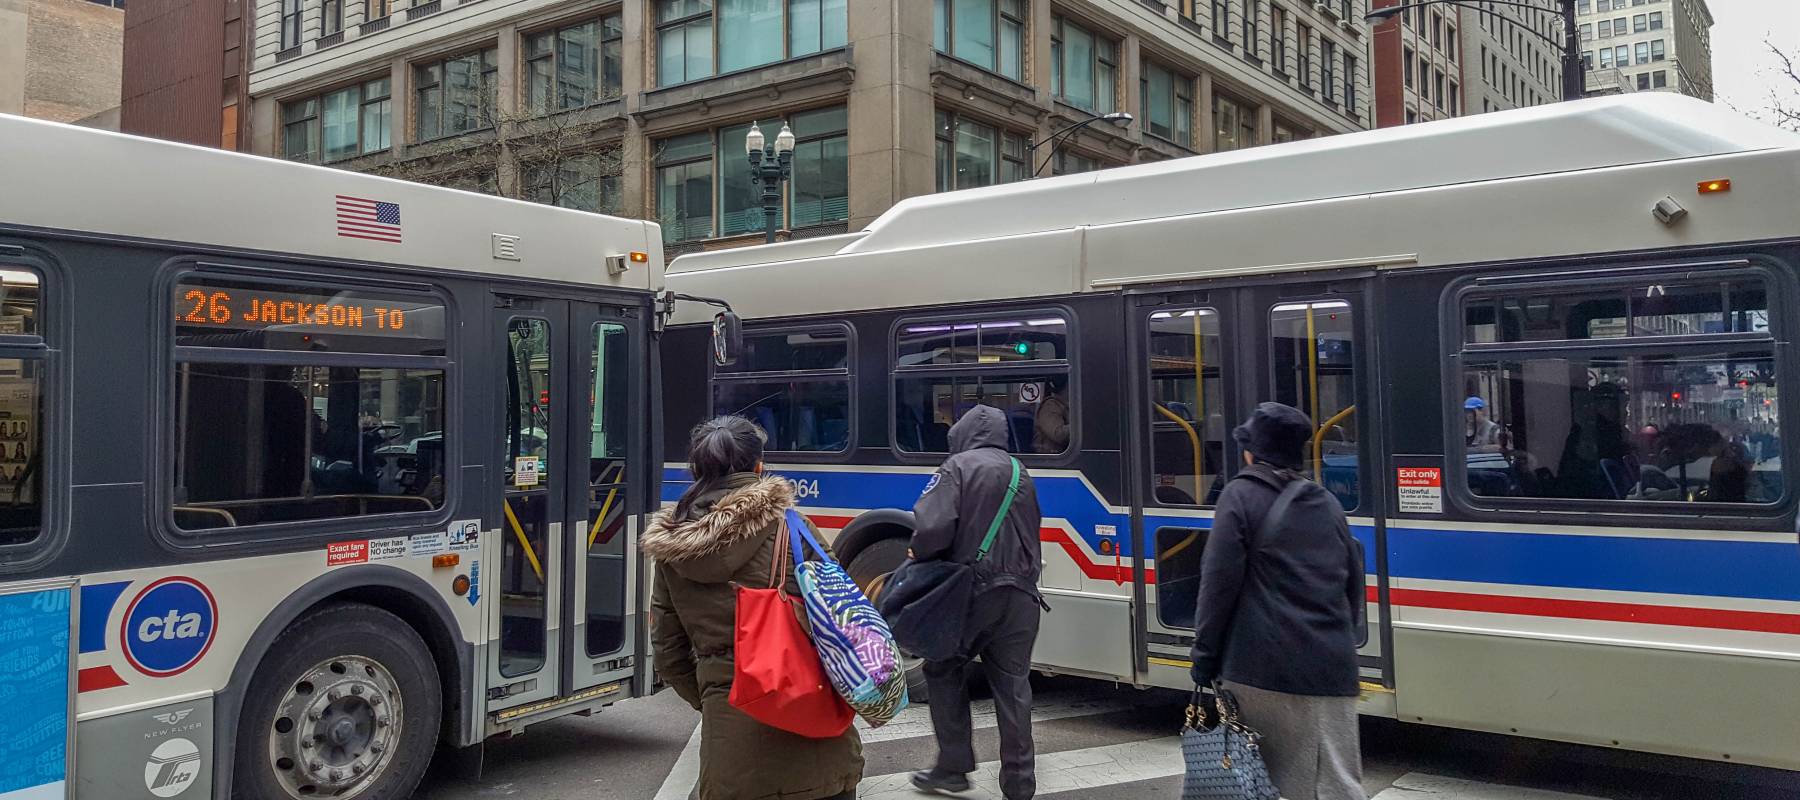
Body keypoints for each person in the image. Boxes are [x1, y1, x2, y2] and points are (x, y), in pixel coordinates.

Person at [643, 416, 863, 800]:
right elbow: (844, 619)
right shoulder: (792, 528)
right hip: (815, 729)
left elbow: (667, 654)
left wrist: (719, 693)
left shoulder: (671, 550)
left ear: (696, 470)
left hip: (731, 747)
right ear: (759, 466)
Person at [1190, 402, 1365, 800]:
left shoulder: (1238, 496)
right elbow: (1352, 585)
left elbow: (1217, 585)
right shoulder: (1326, 502)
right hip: (1332, 667)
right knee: (1335, 783)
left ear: (1252, 452)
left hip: (1261, 666)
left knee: (1262, 781)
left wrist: (1204, 658)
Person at [908, 405, 1045, 800]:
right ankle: (1020, 785)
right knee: (1014, 687)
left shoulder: (957, 468)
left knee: (942, 667)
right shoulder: (1021, 471)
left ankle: (953, 767)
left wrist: (918, 553)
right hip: (1022, 596)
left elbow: (932, 528)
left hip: (973, 594)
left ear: (962, 434)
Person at [1032, 377, 1070, 454]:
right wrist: (1081, 426)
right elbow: (1058, 434)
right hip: (1052, 458)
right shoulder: (1050, 406)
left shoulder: (1065, 405)